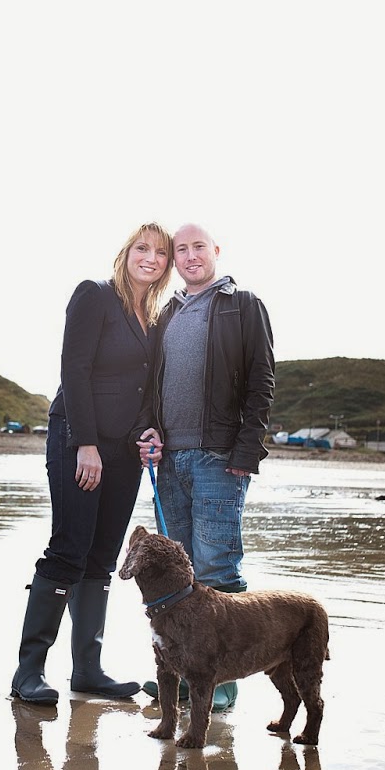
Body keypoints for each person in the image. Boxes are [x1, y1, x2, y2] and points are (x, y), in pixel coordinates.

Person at [10, 222, 175, 704]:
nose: (151, 258)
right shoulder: (95, 295)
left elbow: (147, 387)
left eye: (161, 253)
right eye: (142, 248)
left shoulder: (156, 316)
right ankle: (28, 673)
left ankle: (88, 671)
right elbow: (73, 368)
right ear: (126, 253)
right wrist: (85, 444)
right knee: (69, 549)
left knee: (101, 559)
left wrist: (148, 431)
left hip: (125, 451)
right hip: (78, 440)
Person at [136, 223, 275, 712]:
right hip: (169, 459)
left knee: (216, 565)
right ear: (174, 260)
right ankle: (181, 670)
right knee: (177, 572)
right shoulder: (167, 312)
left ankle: (221, 681)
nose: (190, 256)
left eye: (199, 247)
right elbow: (154, 383)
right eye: (182, 250)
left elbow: (262, 381)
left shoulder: (243, 305)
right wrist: (151, 431)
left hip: (220, 457)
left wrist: (246, 451)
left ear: (216, 251)